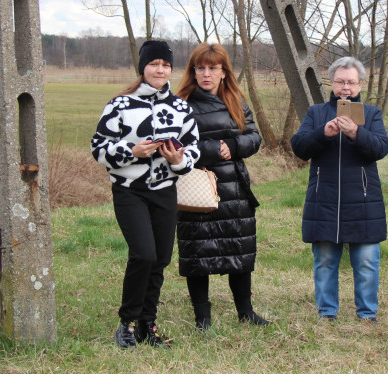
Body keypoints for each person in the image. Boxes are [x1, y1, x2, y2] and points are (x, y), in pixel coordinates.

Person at [91, 40, 200, 348]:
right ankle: (125, 324)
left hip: (165, 190)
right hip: (130, 190)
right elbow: (98, 148)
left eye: (165, 65)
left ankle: (146, 325)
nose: (160, 70)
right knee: (144, 254)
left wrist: (180, 160)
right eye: (154, 64)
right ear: (143, 68)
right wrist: (131, 151)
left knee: (161, 258)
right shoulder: (120, 105)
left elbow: (192, 148)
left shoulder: (180, 108)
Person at [174, 43, 271, 330]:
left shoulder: (236, 100)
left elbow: (254, 137)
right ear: (193, 71)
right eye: (200, 68)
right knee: (197, 252)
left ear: (223, 72)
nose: (206, 74)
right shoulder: (182, 103)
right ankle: (202, 319)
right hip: (196, 186)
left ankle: (246, 312)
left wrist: (233, 145)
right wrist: (214, 149)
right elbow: (175, 145)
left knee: (239, 251)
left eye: (212, 68)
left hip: (234, 188)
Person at [291, 57, 388, 322]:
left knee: (367, 262)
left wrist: (357, 134)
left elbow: (381, 148)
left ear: (360, 85)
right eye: (340, 81)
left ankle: (367, 314)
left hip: (364, 200)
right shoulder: (317, 113)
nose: (345, 87)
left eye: (351, 82)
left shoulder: (371, 114)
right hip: (324, 199)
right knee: (324, 261)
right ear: (331, 83)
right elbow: (299, 147)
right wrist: (323, 133)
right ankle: (327, 313)